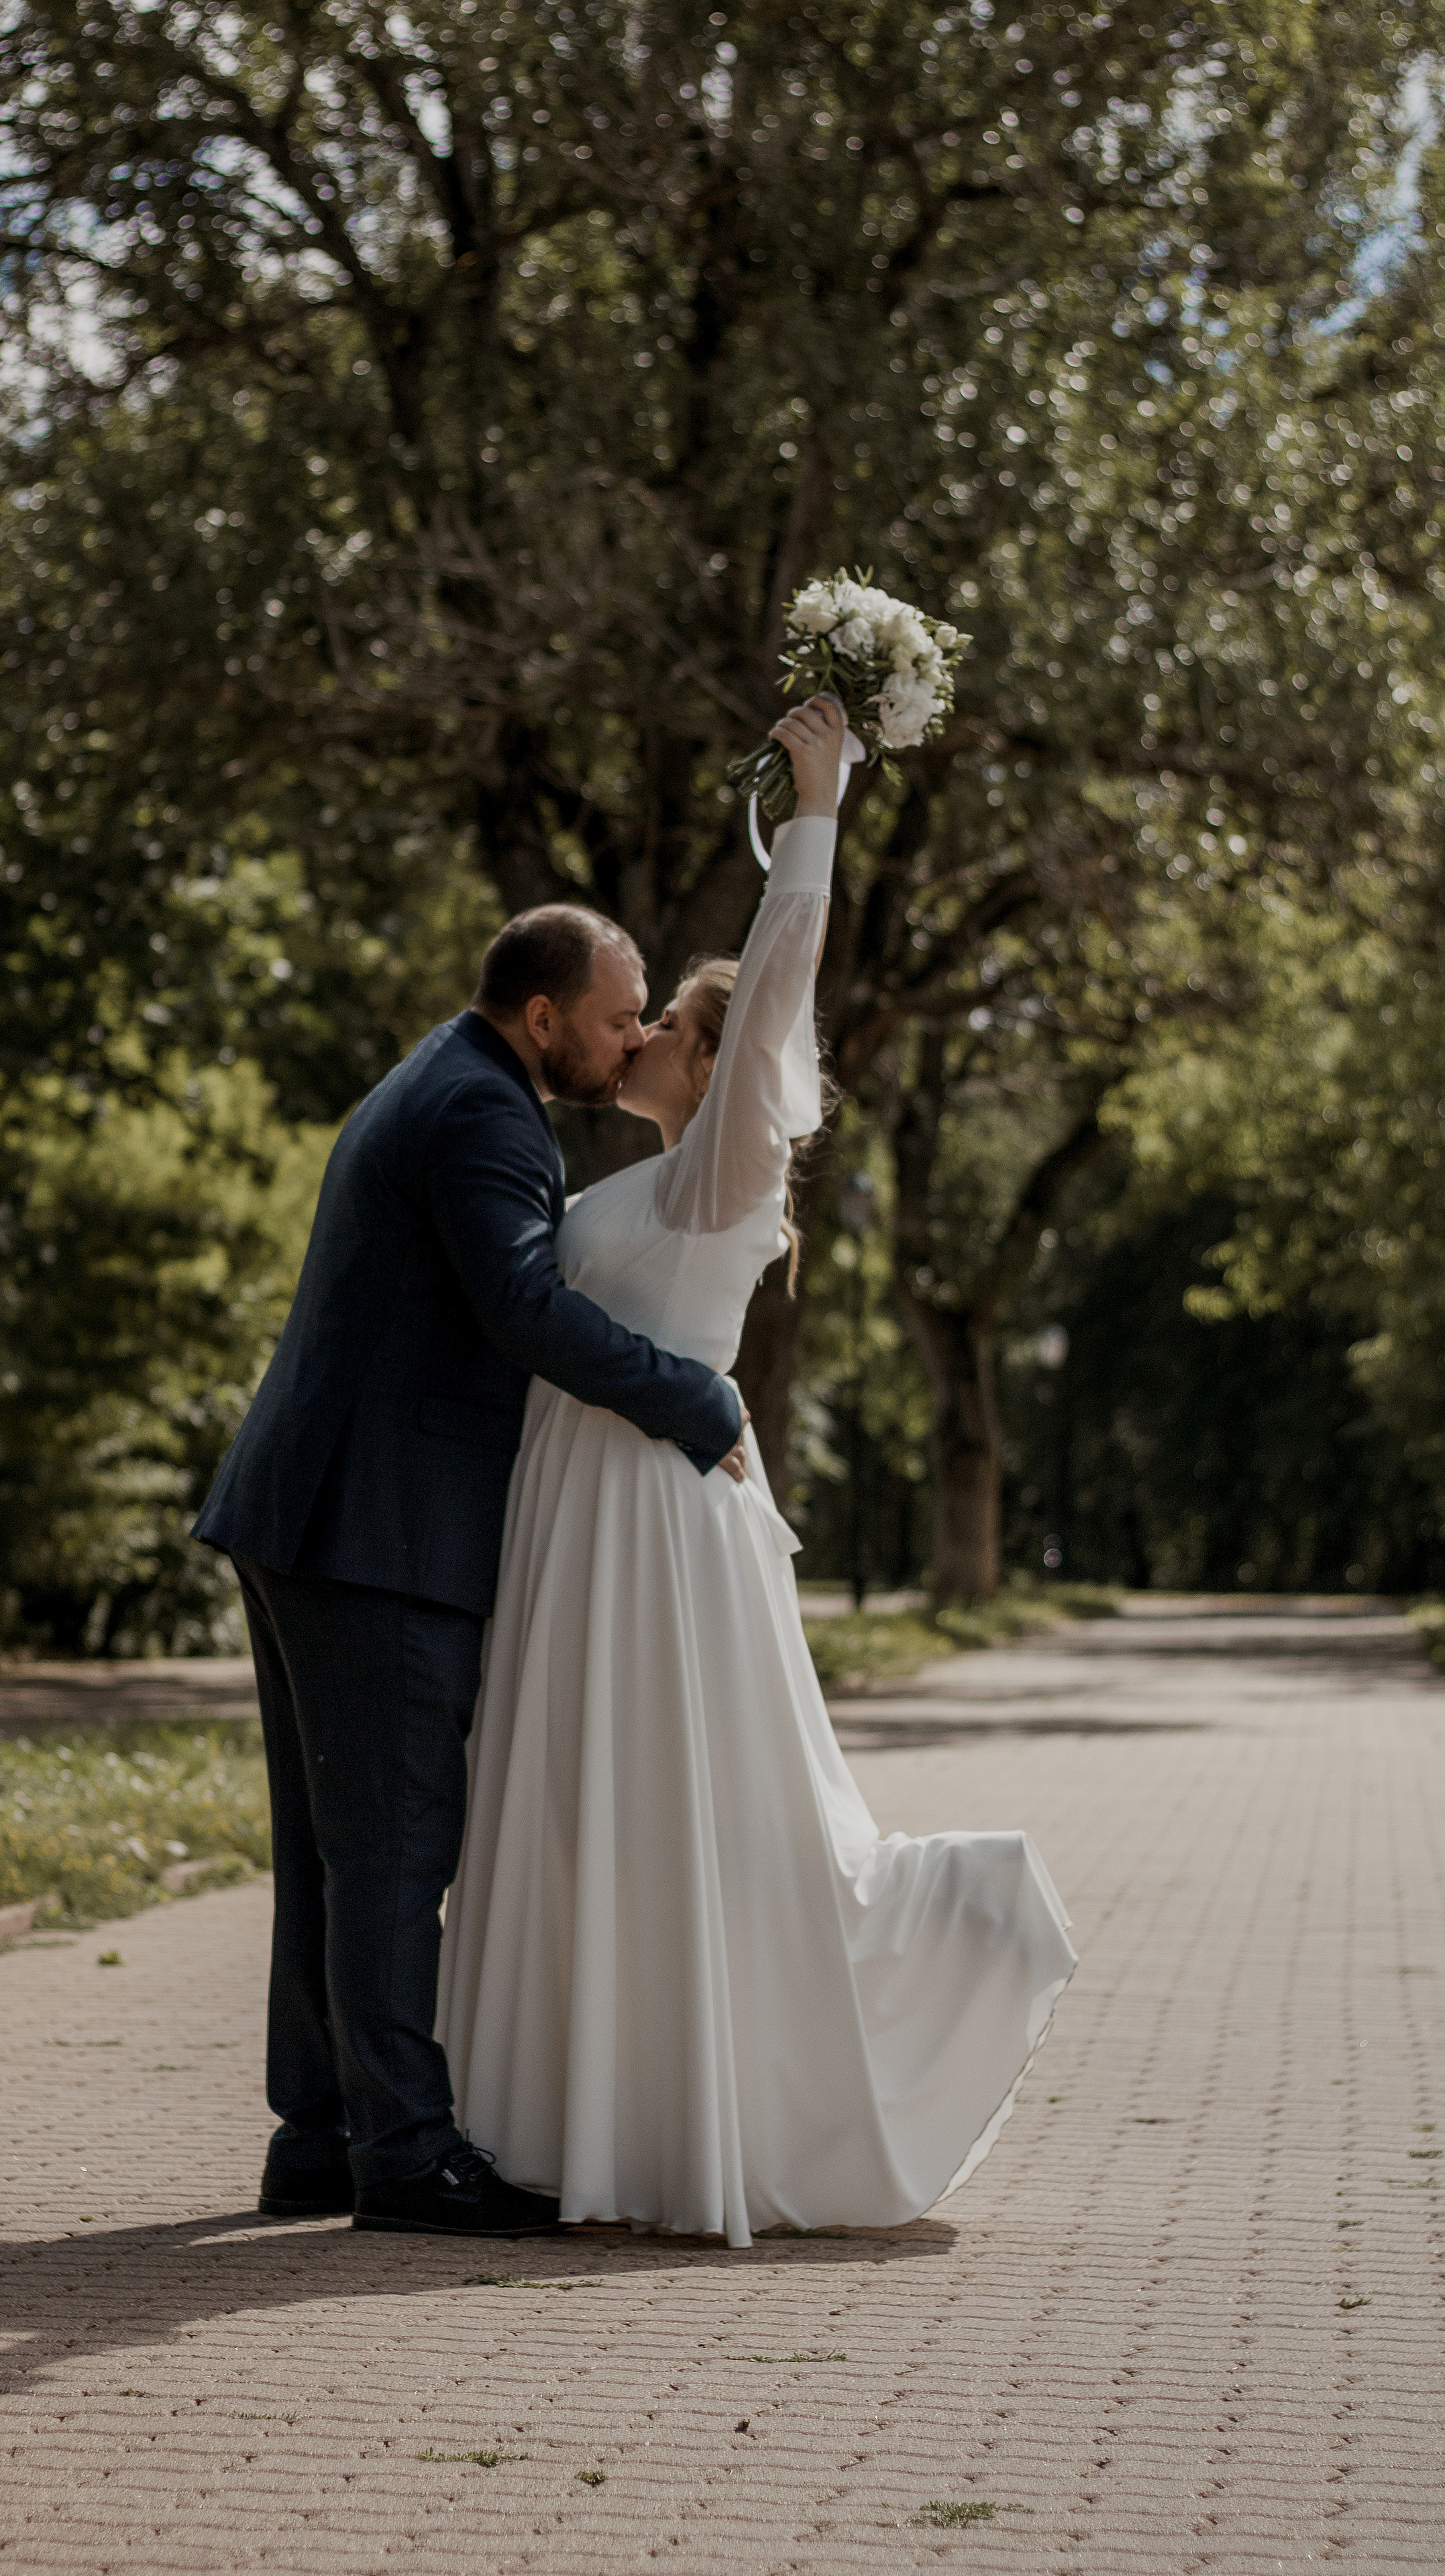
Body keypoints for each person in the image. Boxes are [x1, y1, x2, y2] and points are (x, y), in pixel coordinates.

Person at [436, 696, 1077, 2245]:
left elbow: (777, 991)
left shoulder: (729, 1169)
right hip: (578, 1517)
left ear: (724, 1061)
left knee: (687, 1812)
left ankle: (965, 1916)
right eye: (635, 1013)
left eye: (668, 1018)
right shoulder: (637, 1176)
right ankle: (566, 2117)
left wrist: (816, 809)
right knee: (593, 1816)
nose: (638, 1026)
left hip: (655, 1524)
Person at [191, 897, 745, 2237]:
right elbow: (521, 1309)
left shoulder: (445, 1076)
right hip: (373, 1529)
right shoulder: (483, 1113)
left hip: (315, 1512)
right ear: (542, 1015)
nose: (628, 1043)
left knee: (337, 1855)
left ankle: (320, 2136)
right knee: (391, 1850)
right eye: (617, 1018)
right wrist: (696, 1399)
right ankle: (406, 2157)